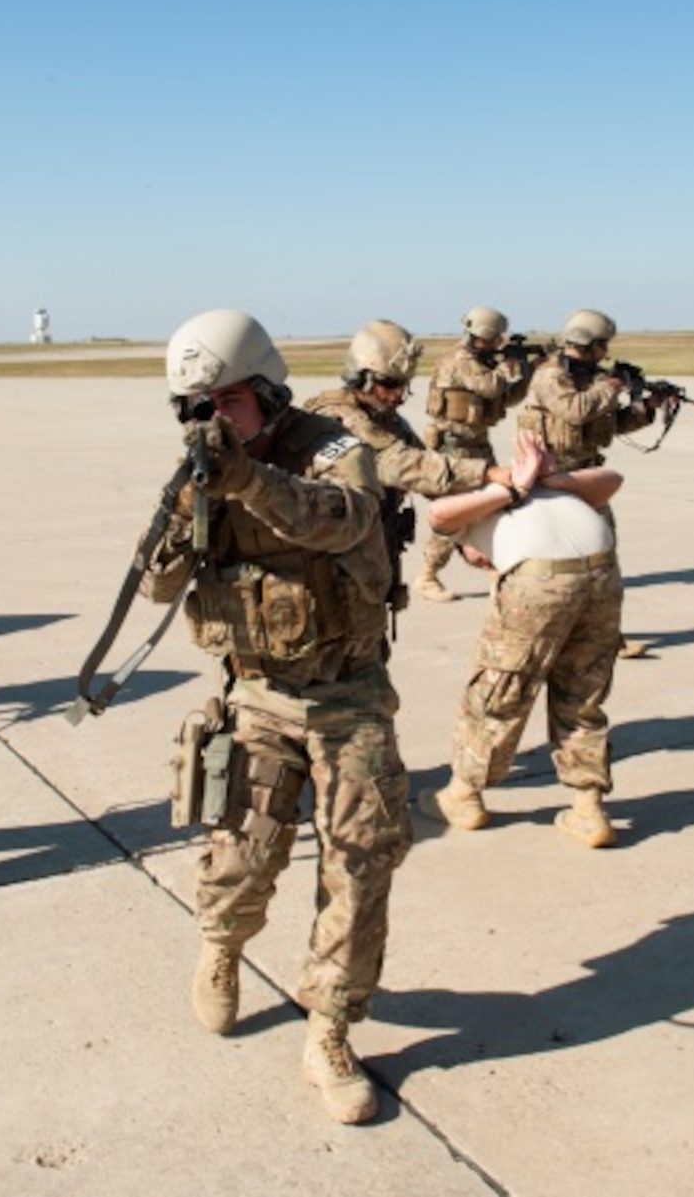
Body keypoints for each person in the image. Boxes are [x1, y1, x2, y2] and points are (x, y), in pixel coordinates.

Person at [143, 308, 411, 1126]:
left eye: (224, 401)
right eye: (195, 407)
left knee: (360, 865)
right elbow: (154, 586)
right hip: (258, 691)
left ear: (264, 388)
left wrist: (245, 483)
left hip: (348, 695)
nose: (211, 420)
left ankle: (329, 1027)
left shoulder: (334, 447)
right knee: (243, 856)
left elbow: (345, 520)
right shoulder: (207, 465)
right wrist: (187, 505)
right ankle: (222, 948)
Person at [419, 431, 625, 847]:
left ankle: (464, 794)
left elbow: (438, 515)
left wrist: (516, 484)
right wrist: (549, 480)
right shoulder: (542, 490)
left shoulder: (483, 499)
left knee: (500, 688)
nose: (481, 563)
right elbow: (612, 481)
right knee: (582, 692)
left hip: (542, 579)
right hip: (603, 573)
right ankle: (588, 808)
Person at [305, 318, 514, 626]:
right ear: (361, 377)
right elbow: (403, 465)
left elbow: (430, 471)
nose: (398, 395)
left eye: (403, 385)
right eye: (389, 384)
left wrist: (469, 536)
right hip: (328, 566)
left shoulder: (385, 419)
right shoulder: (336, 417)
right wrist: (488, 474)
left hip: (369, 563)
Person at [516, 308, 661, 658]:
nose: (606, 353)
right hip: (550, 483)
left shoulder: (590, 379)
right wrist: (610, 386)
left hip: (587, 479)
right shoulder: (551, 376)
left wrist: (647, 407)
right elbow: (576, 411)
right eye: (603, 345)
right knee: (546, 566)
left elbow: (607, 426)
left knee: (603, 560)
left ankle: (608, 637)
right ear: (591, 344)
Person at [415, 306, 536, 602]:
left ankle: (495, 569)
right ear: (485, 335)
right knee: (458, 513)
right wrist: (508, 366)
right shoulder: (461, 360)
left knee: (492, 506)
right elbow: (491, 386)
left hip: (477, 445)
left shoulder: (480, 362)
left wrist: (527, 373)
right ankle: (428, 575)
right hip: (454, 447)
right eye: (497, 339)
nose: (499, 344)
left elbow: (507, 398)